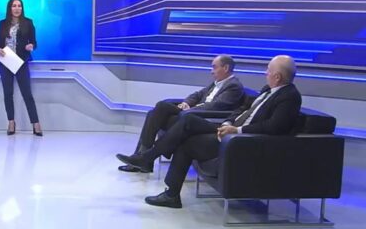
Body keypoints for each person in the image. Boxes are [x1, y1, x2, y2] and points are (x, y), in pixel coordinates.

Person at [117, 55, 302, 208]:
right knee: (182, 124)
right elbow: (242, 109)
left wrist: (237, 129)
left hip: (242, 140)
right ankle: (168, 190)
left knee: (187, 125)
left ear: (277, 76)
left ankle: (149, 161)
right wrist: (229, 122)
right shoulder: (267, 90)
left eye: (268, 70)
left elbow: (274, 127)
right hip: (229, 129)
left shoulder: (289, 97)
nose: (265, 73)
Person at [118, 54, 244, 173]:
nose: (211, 71)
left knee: (161, 108)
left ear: (225, 68)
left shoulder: (234, 86)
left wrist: (190, 109)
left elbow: (215, 106)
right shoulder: (216, 83)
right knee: (154, 113)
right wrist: (186, 103)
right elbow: (197, 95)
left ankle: (142, 158)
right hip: (191, 113)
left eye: (214, 67)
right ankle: (142, 159)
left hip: (202, 119)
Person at [0, 0, 43, 136]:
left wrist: (31, 46)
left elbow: (34, 42)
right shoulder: (2, 23)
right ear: (9, 8)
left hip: (21, 61)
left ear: (22, 8)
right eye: (14, 6)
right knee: (8, 93)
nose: (17, 8)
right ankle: (11, 122)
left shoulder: (28, 22)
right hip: (6, 61)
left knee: (27, 93)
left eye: (19, 6)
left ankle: (36, 123)